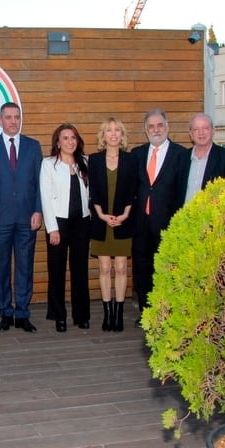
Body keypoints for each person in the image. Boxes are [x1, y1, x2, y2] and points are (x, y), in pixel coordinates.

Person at [0, 102, 43, 333]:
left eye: (16, 117)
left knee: (25, 266)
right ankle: (5, 312)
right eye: (8, 117)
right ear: (0, 120)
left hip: (28, 218)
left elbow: (39, 182)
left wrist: (38, 210)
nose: (13, 121)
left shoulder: (33, 147)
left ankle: (22, 313)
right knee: (2, 267)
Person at [131, 109, 186, 327]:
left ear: (167, 127)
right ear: (146, 130)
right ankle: (146, 312)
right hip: (141, 223)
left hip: (168, 222)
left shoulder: (181, 155)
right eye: (151, 126)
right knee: (142, 269)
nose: (156, 130)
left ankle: (167, 313)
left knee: (167, 269)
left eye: (160, 125)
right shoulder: (136, 154)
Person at [88, 117, 137, 332]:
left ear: (122, 135)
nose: (114, 134)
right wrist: (101, 214)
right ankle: (107, 314)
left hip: (124, 221)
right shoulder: (94, 160)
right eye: (109, 130)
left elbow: (134, 191)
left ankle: (118, 314)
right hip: (101, 222)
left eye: (117, 130)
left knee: (120, 267)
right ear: (103, 135)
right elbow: (93, 193)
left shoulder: (131, 160)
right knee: (105, 267)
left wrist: (125, 214)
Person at [41, 123, 91, 332]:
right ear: (58, 142)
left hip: (82, 222)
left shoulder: (86, 163)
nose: (70, 141)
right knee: (57, 270)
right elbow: (45, 196)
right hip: (58, 223)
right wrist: (52, 228)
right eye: (65, 138)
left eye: (73, 138)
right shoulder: (48, 164)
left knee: (80, 270)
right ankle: (59, 316)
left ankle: (81, 315)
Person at [169, 113, 225, 214]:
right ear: (191, 134)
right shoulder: (181, 158)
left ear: (213, 131)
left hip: (212, 223)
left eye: (205, 128)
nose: (201, 133)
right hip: (184, 221)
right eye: (196, 129)